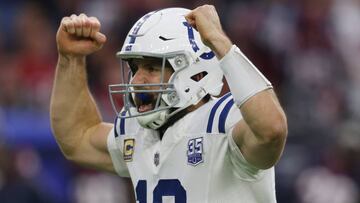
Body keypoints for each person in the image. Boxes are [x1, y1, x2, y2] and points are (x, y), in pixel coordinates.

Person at [51, 5, 288, 202]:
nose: (136, 80)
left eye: (153, 67)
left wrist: (218, 40)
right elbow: (77, 138)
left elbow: (271, 130)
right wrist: (70, 59)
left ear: (195, 73)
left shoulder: (222, 123)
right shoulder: (139, 132)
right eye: (135, 68)